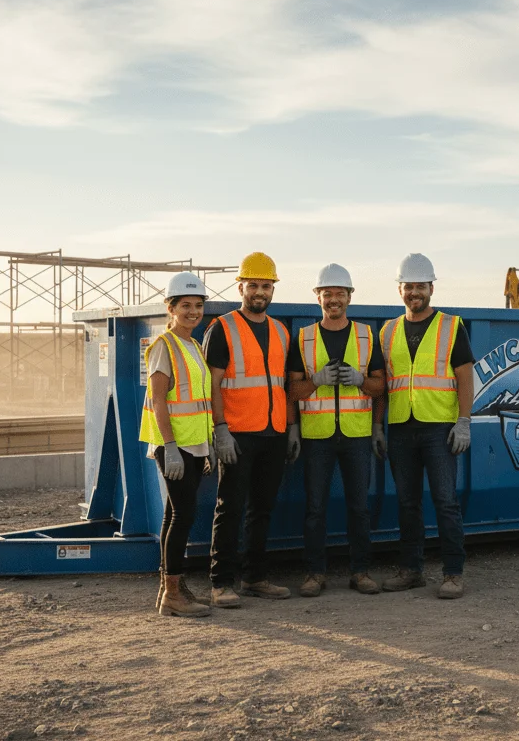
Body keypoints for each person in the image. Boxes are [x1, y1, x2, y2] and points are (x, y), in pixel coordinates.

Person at [203, 251, 299, 607]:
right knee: (229, 508)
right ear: (240, 287)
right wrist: (220, 430)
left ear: (272, 289)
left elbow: (285, 385)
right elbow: (212, 385)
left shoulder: (280, 331)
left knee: (262, 509)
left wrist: (291, 428)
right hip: (238, 434)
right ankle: (220, 583)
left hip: (273, 433)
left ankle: (255, 578)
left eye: (266, 286)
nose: (260, 292)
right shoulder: (222, 328)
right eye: (253, 285)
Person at [377, 253, 475, 599]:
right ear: (400, 289)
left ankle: (453, 573)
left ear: (431, 288)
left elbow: (465, 376)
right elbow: (383, 384)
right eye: (409, 286)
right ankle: (412, 570)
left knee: (445, 501)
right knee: (407, 503)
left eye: (420, 286)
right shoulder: (388, 331)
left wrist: (464, 422)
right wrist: (378, 427)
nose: (414, 292)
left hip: (439, 427)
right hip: (401, 427)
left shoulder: (451, 326)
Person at [286, 264, 387, 597]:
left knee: (359, 508)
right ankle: (315, 574)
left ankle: (360, 572)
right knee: (315, 509)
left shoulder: (366, 336)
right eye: (327, 294)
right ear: (317, 297)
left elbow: (380, 387)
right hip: (317, 436)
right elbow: (292, 391)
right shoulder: (303, 338)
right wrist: (316, 382)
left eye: (339, 294)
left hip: (357, 435)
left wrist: (361, 383)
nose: (333, 300)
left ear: (349, 297)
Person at [139, 272, 214, 618]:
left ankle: (170, 588)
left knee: (175, 514)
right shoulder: (163, 346)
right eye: (185, 305)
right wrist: (169, 446)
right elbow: (158, 400)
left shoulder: (194, 346)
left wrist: (206, 444)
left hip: (193, 442)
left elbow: (199, 399)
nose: (193, 311)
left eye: (198, 305)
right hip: (175, 445)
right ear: (170, 308)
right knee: (183, 515)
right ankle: (172, 593)